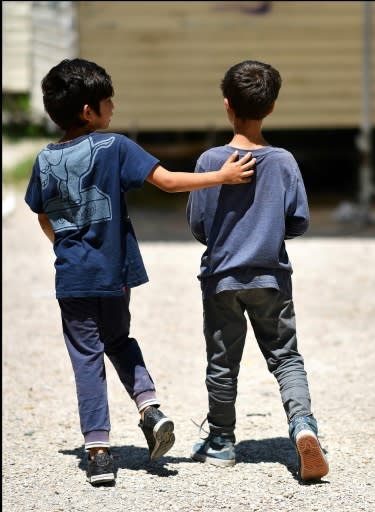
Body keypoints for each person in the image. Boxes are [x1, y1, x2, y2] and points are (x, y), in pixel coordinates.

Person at [24, 58, 255, 486]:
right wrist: (222, 176)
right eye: (106, 99)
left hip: (72, 277)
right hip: (114, 275)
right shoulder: (114, 147)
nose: (113, 104)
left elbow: (41, 215)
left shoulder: (43, 160)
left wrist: (66, 248)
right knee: (119, 340)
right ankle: (149, 407)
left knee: (87, 357)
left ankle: (97, 453)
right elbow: (166, 182)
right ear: (87, 111)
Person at [186, 60, 329, 482]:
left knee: (222, 362)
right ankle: (303, 427)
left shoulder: (211, 161)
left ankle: (222, 443)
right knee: (286, 358)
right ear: (272, 107)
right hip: (271, 279)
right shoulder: (284, 162)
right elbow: (298, 220)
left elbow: (198, 226)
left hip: (221, 280)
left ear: (227, 105)